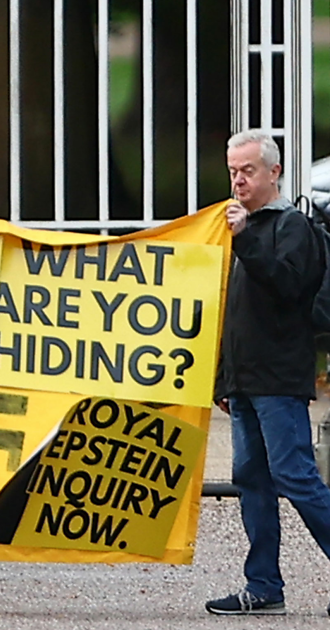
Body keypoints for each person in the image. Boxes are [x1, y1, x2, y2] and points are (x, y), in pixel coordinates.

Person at [206, 129, 330, 616]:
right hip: (246, 380)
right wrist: (224, 378)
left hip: (279, 379)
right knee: (251, 479)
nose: (238, 180)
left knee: (295, 476)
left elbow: (288, 286)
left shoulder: (291, 226)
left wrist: (245, 241)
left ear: (273, 172)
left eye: (248, 171)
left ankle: (265, 584)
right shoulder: (238, 231)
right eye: (233, 171)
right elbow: (231, 311)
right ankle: (263, 586)